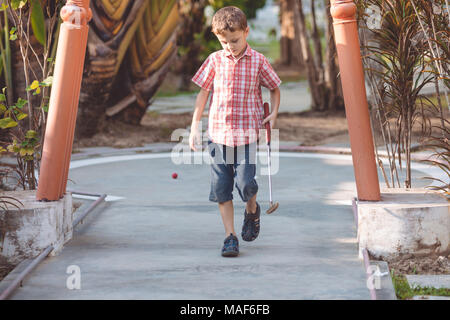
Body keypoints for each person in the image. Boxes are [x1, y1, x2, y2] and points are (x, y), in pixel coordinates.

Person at [189, 6, 281, 257]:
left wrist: (273, 111)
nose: (229, 45)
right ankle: (230, 236)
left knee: (245, 184)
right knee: (221, 188)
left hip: (247, 136)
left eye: (234, 40)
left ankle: (252, 210)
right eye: (224, 41)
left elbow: (274, 87)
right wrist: (195, 126)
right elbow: (203, 94)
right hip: (218, 135)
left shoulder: (259, 61)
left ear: (246, 32)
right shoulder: (215, 60)